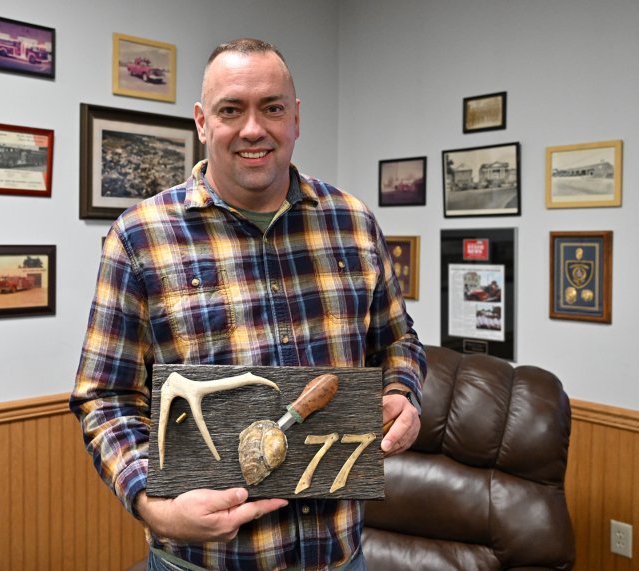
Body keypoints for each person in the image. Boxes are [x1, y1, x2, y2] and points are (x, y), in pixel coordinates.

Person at [70, 38, 426, 571]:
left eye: (272, 108)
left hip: (340, 555)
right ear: (201, 122)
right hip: (201, 562)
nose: (253, 129)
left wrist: (403, 390)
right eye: (231, 110)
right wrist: (151, 503)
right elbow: (105, 396)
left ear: (296, 118)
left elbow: (396, 340)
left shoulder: (353, 222)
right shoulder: (140, 237)